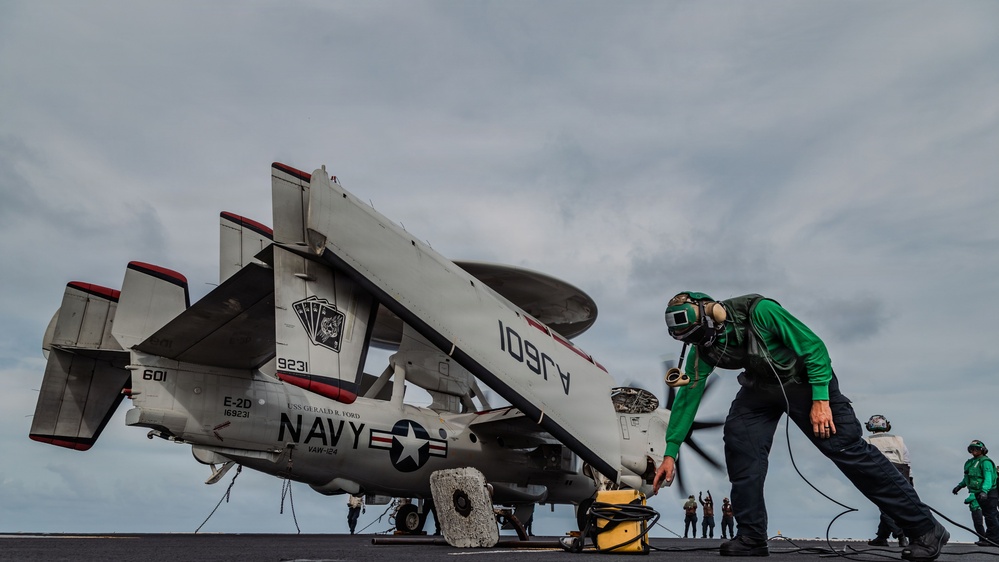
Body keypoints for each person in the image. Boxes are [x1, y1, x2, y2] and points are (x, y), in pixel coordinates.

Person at [652, 292, 949, 560]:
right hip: (760, 389)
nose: (699, 343)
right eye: (690, 340)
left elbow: (815, 349)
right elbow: (688, 395)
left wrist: (821, 400)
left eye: (699, 335)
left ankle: (925, 528)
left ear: (713, 314)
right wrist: (671, 451)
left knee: (845, 447)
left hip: (807, 381)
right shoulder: (703, 345)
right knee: (740, 442)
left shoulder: (761, 311)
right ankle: (751, 537)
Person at [864, 414, 911, 548]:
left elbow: (865, 460)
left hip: (879, 472)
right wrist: (909, 480)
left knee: (885, 506)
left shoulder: (867, 440)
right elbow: (906, 460)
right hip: (901, 472)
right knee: (895, 505)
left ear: (869, 426)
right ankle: (882, 537)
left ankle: (901, 535)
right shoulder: (899, 440)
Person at [952, 440, 999, 546]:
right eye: (972, 449)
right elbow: (968, 478)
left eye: (977, 449)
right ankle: (989, 538)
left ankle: (994, 540)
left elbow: (988, 478)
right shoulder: (970, 463)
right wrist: (959, 486)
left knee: (991, 516)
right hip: (979, 493)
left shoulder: (985, 462)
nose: (974, 451)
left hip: (989, 493)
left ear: (983, 450)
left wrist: (984, 491)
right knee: (989, 515)